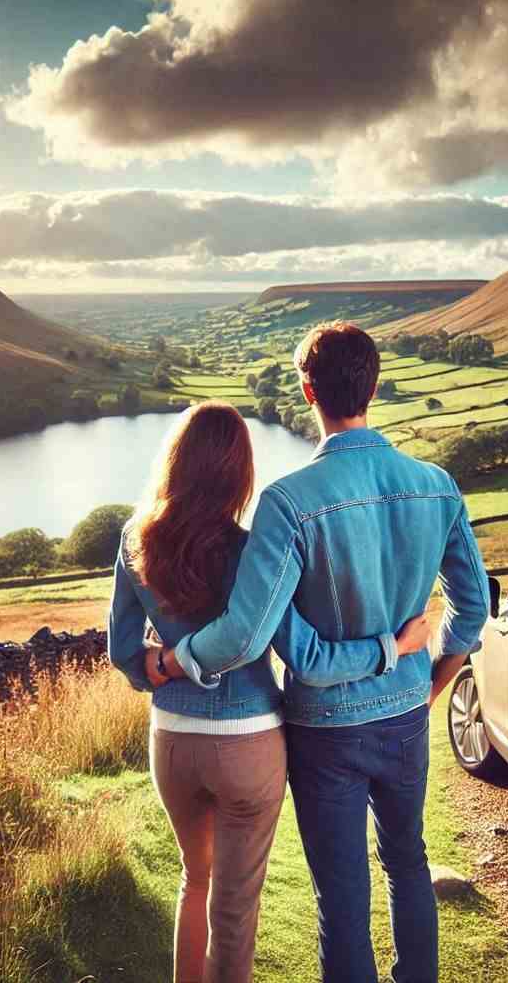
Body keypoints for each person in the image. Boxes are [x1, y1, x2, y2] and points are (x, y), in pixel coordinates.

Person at [152, 324, 490, 983]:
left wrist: (171, 659)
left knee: (341, 896)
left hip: (325, 730)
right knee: (409, 861)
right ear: (376, 385)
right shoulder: (437, 485)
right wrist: (426, 677)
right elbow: (472, 608)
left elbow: (270, 643)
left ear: (308, 391)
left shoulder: (287, 503)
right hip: (404, 717)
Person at [108, 400, 428, 983]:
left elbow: (122, 651)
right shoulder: (251, 547)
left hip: (172, 740)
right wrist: (393, 648)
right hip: (248, 741)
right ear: (237, 471)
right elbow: (291, 650)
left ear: (176, 460)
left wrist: (155, 667)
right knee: (234, 908)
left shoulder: (135, 538)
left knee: (193, 880)